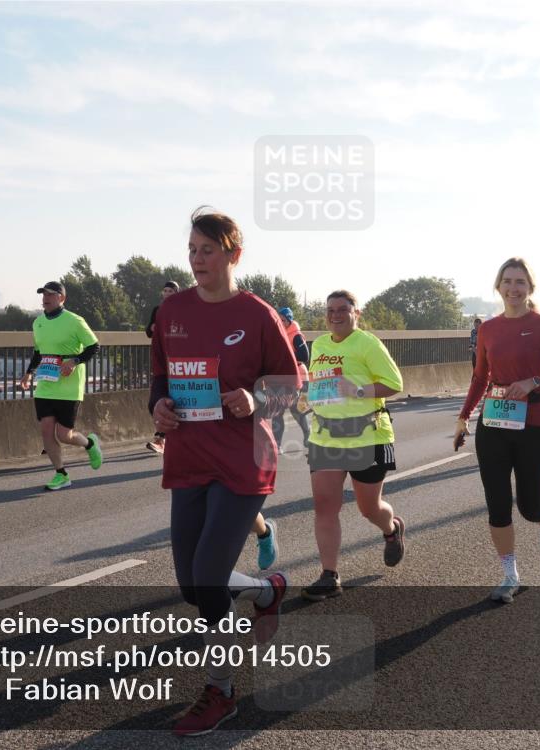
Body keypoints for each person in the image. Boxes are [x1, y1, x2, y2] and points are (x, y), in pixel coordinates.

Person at [149, 208, 296, 736]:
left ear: (234, 253)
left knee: (209, 576)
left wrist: (252, 398)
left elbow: (289, 386)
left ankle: (221, 692)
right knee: (192, 587)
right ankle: (265, 590)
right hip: (187, 459)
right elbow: (160, 376)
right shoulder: (172, 312)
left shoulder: (257, 314)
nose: (196, 259)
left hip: (243, 460)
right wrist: (159, 407)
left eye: (207, 250)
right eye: (191, 250)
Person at [454, 258, 540, 604]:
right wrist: (464, 417)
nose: (513, 288)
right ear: (498, 286)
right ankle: (509, 575)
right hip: (494, 422)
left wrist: (533, 380)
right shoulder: (488, 328)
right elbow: (480, 378)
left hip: (534, 422)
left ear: (530, 288)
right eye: (507, 281)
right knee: (498, 504)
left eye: (520, 282)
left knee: (530, 506)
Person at [300, 290, 405, 601]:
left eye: (343, 309)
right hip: (325, 436)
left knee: (368, 508)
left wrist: (358, 390)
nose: (335, 314)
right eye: (330, 309)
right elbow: (321, 384)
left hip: (368, 435)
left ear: (356, 313)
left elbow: (394, 384)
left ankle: (391, 528)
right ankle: (329, 575)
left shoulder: (367, 343)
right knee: (324, 505)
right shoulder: (318, 344)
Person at [20, 281, 104, 490]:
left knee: (64, 435)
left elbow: (94, 347)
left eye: (50, 294)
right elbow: (39, 352)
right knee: (46, 430)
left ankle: (90, 444)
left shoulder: (75, 321)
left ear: (62, 298)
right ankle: (61, 473)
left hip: (69, 385)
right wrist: (29, 373)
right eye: (43, 294)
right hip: (46, 384)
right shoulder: (38, 322)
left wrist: (74, 361)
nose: (45, 298)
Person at [144, 281, 181, 455]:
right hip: (160, 362)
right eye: (165, 290)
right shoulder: (157, 310)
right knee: (155, 402)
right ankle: (163, 438)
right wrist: (152, 328)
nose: (167, 293)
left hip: (177, 362)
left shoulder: (181, 310)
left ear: (176, 293)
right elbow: (148, 332)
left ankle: (161, 438)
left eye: (170, 290)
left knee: (171, 400)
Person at [272, 307, 311, 450]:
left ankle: (308, 434)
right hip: (282, 377)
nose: (281, 322)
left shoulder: (296, 335)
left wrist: (286, 359)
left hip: (298, 377)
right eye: (279, 319)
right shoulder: (277, 334)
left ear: (289, 320)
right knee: (278, 410)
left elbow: (305, 356)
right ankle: (277, 444)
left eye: (283, 320)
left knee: (295, 410)